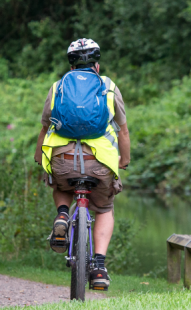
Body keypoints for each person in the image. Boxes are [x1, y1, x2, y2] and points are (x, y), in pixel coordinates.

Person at [34, 38, 130, 289]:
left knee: (60, 185)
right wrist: (124, 160)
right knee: (105, 208)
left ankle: (63, 215)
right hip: (99, 164)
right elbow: (123, 132)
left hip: (63, 160)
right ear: (97, 65)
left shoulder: (58, 87)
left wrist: (38, 157)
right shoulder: (108, 87)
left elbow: (45, 126)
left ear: (72, 65)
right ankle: (99, 267)